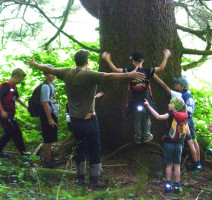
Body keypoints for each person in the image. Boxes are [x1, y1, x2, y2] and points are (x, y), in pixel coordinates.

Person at [28, 49, 145, 188]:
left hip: (75, 120)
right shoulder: (89, 75)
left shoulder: (66, 72)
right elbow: (109, 75)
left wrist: (34, 64)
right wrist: (129, 74)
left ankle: (80, 179)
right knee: (95, 148)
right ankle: (94, 180)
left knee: (79, 147)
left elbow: (47, 68)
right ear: (87, 61)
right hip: (89, 120)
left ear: (75, 60)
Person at [102, 49, 171, 144]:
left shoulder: (130, 71)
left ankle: (138, 137)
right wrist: (166, 56)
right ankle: (147, 136)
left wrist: (107, 59)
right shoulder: (147, 71)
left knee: (137, 119)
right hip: (146, 99)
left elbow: (115, 70)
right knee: (147, 118)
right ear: (143, 61)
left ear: (133, 61)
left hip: (135, 100)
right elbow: (161, 67)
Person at [153, 74, 201, 171]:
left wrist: (154, 75)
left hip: (184, 120)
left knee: (190, 142)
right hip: (189, 118)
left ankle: (196, 165)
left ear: (182, 86)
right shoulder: (188, 93)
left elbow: (165, 87)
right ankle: (198, 164)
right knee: (194, 141)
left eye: (177, 84)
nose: (175, 85)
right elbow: (188, 87)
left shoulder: (179, 95)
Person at [144, 96, 189, 194]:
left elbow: (158, 117)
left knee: (169, 165)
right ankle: (177, 186)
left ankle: (168, 186)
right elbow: (188, 133)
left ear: (174, 106)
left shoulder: (170, 115)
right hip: (179, 144)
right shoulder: (184, 116)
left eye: (170, 103)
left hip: (168, 143)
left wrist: (148, 106)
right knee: (177, 165)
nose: (168, 105)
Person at [0, 68, 28, 158]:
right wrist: (2, 111)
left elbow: (16, 98)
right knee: (14, 133)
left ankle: (24, 154)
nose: (20, 81)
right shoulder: (6, 86)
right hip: (5, 114)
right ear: (15, 76)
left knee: (11, 133)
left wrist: (26, 106)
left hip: (10, 114)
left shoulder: (13, 86)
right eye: (20, 79)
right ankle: (24, 155)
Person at [39, 65, 59, 168]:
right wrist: (50, 119)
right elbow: (45, 103)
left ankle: (49, 158)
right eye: (51, 73)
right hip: (48, 116)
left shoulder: (52, 85)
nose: (53, 74)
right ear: (46, 75)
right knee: (47, 139)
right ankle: (47, 161)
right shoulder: (45, 86)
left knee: (50, 138)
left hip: (53, 114)